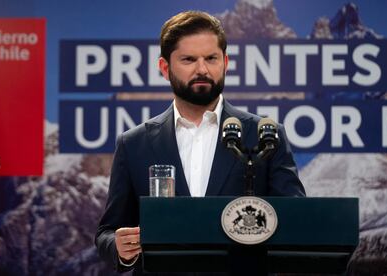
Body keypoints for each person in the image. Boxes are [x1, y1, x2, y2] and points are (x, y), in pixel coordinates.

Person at [95, 10, 306, 274]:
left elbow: (299, 223)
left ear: (225, 63)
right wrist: (120, 248)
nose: (202, 69)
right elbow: (107, 232)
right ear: (164, 67)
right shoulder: (134, 144)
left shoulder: (265, 135)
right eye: (189, 59)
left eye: (211, 58)